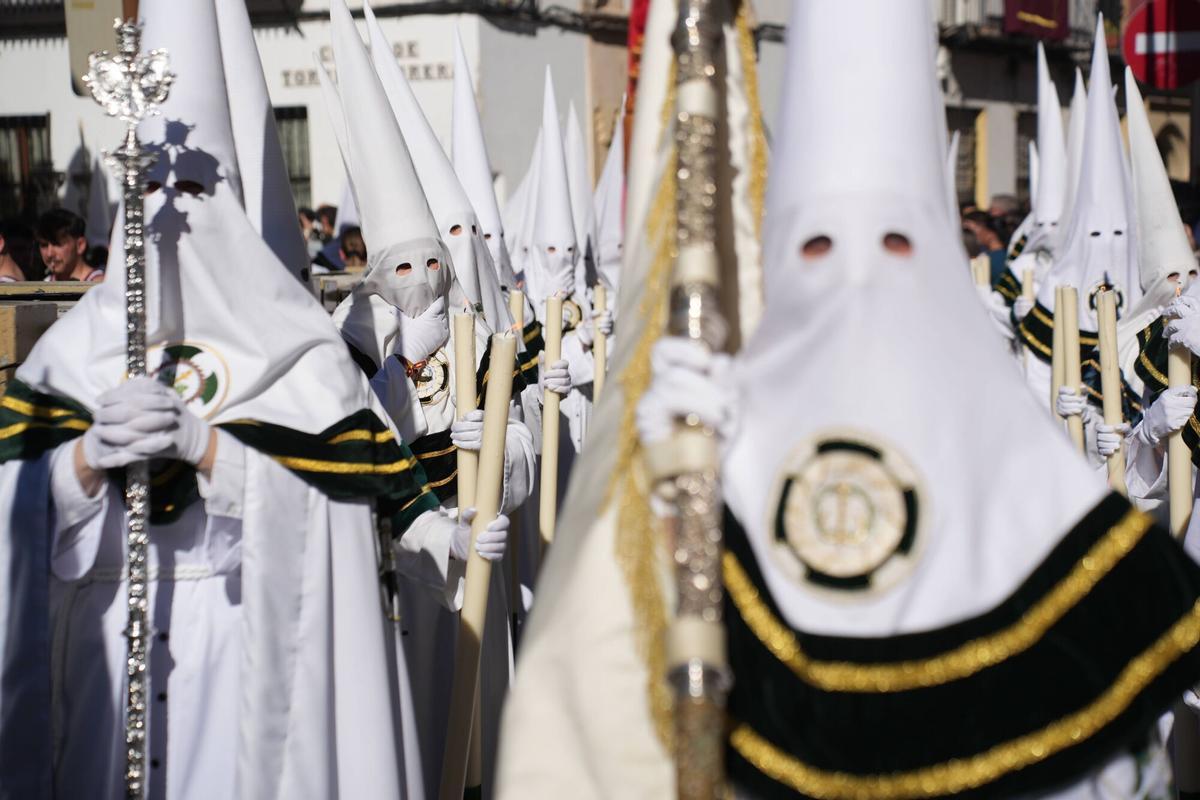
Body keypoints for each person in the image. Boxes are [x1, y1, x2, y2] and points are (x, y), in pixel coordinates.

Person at [498, 4, 1200, 798]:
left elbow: (1109, 744)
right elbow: (608, 701)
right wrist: (648, 490)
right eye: (819, 246)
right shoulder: (720, 438)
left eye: (896, 243)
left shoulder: (1011, 447)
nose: (859, 280)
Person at [0, 0, 430, 796]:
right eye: (154, 189)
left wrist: (212, 454)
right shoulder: (66, 363)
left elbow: (337, 536)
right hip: (102, 675)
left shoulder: (302, 362)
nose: (174, 215)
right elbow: (8, 524)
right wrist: (86, 464)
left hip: (249, 674)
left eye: (194, 187)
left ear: (227, 200)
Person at [35, 208, 102, 282]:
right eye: (44, 245)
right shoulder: (42, 286)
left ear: (80, 245)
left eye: (57, 244)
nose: (49, 254)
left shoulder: (100, 287)